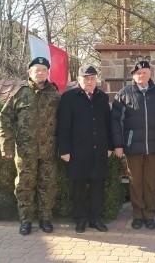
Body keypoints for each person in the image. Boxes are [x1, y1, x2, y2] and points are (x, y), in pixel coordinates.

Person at [0, 57, 60, 235]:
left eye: (43, 70)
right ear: (29, 72)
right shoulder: (19, 94)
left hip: (49, 150)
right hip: (25, 151)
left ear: (48, 73)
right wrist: (7, 146)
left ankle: (45, 219)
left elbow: (64, 121)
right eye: (36, 70)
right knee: (25, 186)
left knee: (47, 185)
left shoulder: (55, 95)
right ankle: (25, 220)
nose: (40, 73)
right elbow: (5, 119)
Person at [111, 61, 155, 230]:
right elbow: (116, 122)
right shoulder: (124, 94)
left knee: (150, 183)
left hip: (154, 148)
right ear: (133, 76)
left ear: (150, 73)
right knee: (135, 182)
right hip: (132, 148)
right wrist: (118, 145)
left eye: (144, 72)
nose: (141, 75)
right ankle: (137, 214)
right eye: (138, 73)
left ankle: (150, 215)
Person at [57, 65, 113, 234]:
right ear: (78, 80)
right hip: (77, 151)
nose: (89, 81)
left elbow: (107, 123)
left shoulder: (102, 97)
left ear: (96, 79)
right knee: (79, 188)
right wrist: (64, 150)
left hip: (98, 150)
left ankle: (96, 219)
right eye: (86, 78)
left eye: (92, 78)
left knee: (97, 187)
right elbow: (63, 125)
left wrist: (109, 146)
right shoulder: (68, 97)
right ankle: (80, 219)